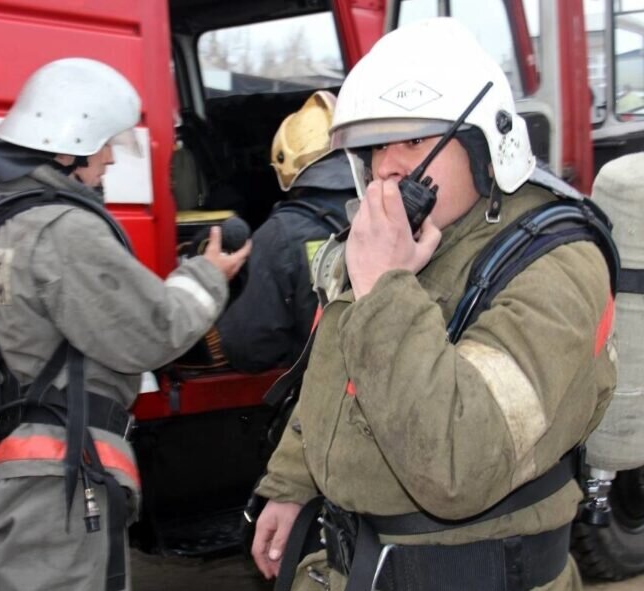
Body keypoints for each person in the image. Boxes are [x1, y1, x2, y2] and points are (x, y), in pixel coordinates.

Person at [251, 18, 616, 591]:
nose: (389, 166)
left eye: (415, 139)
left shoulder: (557, 265)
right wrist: (292, 484)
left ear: (482, 145)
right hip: (354, 566)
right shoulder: (396, 241)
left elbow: (459, 465)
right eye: (376, 146)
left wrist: (385, 287)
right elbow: (334, 378)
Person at [0, 58, 250, 591]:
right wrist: (210, 274)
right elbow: (154, 333)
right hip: (57, 492)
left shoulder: (0, 218)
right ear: (67, 148)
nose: (111, 157)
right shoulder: (64, 229)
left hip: (6, 474)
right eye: (104, 144)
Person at [214, 90, 352, 372]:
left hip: (320, 397)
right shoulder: (397, 212)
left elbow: (247, 349)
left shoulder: (279, 236)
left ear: (286, 167)